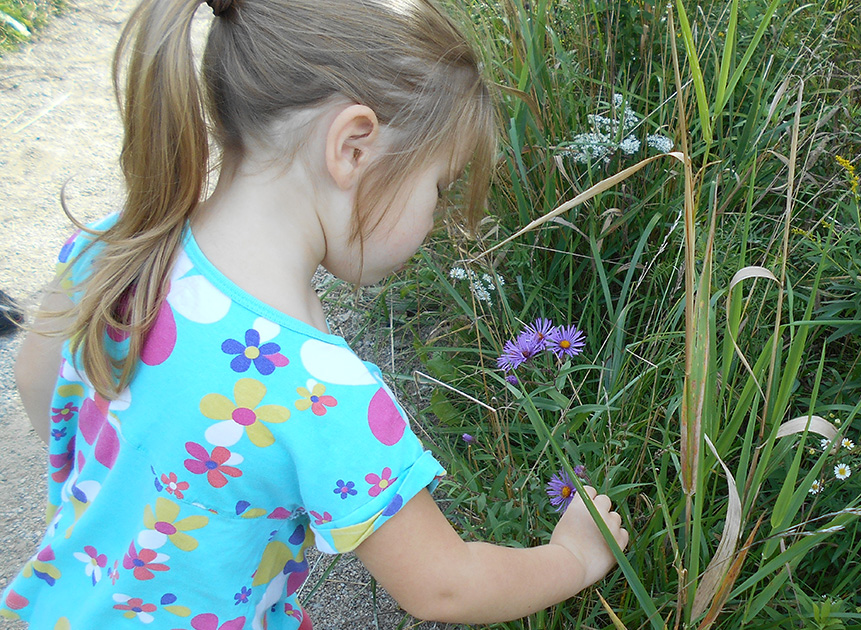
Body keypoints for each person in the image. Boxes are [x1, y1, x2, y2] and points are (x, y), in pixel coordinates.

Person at [1, 0, 629, 626]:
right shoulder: (320, 391)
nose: (434, 221)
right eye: (438, 187)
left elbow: (36, 378)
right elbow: (446, 586)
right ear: (354, 147)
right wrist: (572, 557)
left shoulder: (117, 245)